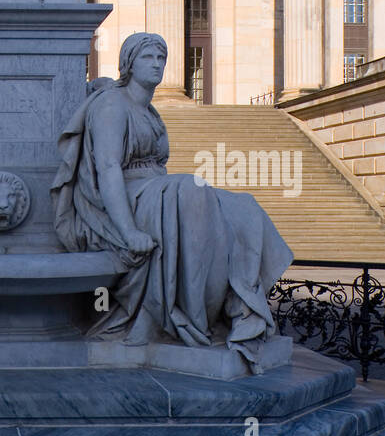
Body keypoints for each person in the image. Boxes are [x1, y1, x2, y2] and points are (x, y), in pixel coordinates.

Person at [51, 32, 293, 370]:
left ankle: (241, 309)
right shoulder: (112, 105)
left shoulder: (149, 111)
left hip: (156, 192)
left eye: (161, 59)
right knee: (191, 190)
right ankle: (194, 319)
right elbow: (107, 171)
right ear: (128, 64)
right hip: (122, 201)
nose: (157, 65)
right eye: (148, 58)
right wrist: (128, 231)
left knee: (243, 206)